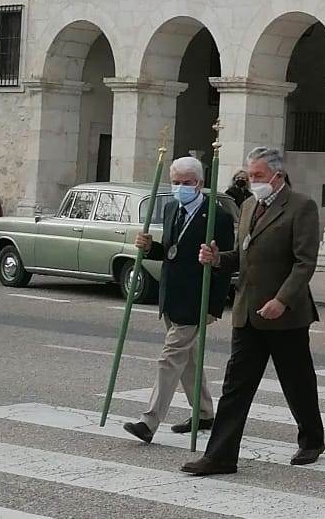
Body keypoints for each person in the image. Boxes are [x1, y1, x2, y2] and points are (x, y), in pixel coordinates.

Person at [182, 145, 325, 478]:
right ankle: (220, 456)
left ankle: (312, 439)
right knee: (236, 386)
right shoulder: (248, 206)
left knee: (297, 381)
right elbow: (244, 255)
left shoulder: (301, 207)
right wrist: (219, 259)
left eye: (258, 176)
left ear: (278, 175)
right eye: (250, 176)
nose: (253, 182)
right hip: (247, 311)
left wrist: (283, 299)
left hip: (285, 314)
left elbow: (305, 262)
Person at [123, 156, 234, 443]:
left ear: (199, 183)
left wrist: (213, 307)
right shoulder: (172, 206)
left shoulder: (217, 217)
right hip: (170, 295)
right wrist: (150, 248)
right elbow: (172, 251)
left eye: (186, 183)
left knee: (170, 358)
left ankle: (149, 422)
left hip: (195, 300)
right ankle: (205, 413)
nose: (180, 188)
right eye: (175, 182)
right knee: (189, 361)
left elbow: (223, 266)